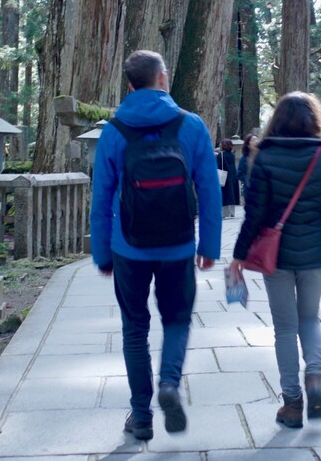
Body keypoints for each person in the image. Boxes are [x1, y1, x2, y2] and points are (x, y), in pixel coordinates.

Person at [90, 50, 222, 441]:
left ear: (129, 86)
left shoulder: (114, 131)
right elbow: (210, 191)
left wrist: (101, 252)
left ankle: (140, 415)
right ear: (162, 78)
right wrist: (210, 245)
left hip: (128, 246)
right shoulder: (191, 125)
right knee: (177, 320)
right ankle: (169, 382)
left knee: (134, 328)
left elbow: (101, 197)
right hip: (179, 246)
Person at [229, 92, 321, 429]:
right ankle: (315, 377)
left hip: (277, 257)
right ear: (316, 120)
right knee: (309, 320)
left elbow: (254, 214)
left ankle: (293, 402)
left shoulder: (265, 158)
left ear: (277, 121)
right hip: (315, 254)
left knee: (285, 327)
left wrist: (239, 256)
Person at [218, 138, 240, 217]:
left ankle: (224, 213)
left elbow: (219, 165)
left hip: (224, 177)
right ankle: (232, 213)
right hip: (232, 176)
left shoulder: (221, 154)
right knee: (231, 194)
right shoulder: (232, 155)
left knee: (224, 194)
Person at [237, 133, 257, 199]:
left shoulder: (263, 156)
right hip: (249, 190)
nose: (256, 141)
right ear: (248, 145)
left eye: (257, 139)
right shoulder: (244, 159)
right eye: (253, 140)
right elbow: (239, 174)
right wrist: (248, 179)